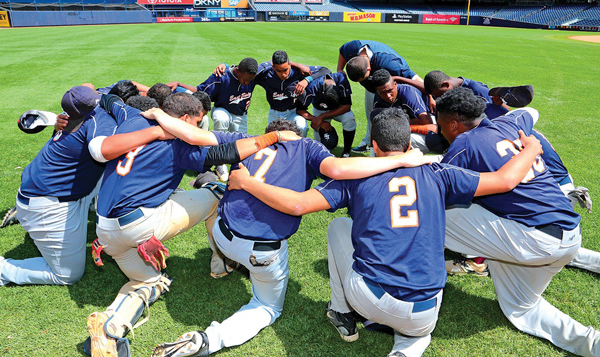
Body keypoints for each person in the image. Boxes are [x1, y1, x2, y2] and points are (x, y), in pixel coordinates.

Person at [199, 108, 542, 357]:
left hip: (369, 298)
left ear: (374, 146)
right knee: (415, 336)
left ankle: (342, 313)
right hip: (426, 308)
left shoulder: (356, 177)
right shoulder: (439, 172)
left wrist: (245, 182)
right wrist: (530, 150)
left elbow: (299, 204)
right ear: (409, 143)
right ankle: (406, 346)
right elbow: (506, 181)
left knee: (338, 226)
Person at [151, 118, 442, 357]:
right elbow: (336, 171)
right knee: (267, 306)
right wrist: (403, 159)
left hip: (224, 235)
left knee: (216, 193)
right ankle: (210, 339)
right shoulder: (307, 146)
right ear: (296, 136)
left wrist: (157, 120)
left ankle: (220, 262)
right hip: (262, 251)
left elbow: (194, 133)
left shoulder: (247, 138)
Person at [86, 93, 301, 357]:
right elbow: (226, 152)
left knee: (151, 281)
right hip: (139, 224)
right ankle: (221, 263)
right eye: (197, 121)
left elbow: (110, 100)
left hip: (106, 231)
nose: (198, 127)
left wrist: (95, 93)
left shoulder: (132, 115)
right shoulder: (179, 143)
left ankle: (109, 328)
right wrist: (273, 137)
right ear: (185, 118)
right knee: (216, 195)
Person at [437, 87, 600, 357]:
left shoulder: (462, 145)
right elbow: (529, 112)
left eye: (442, 125)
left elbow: (436, 188)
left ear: (453, 124)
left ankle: (414, 281)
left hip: (534, 242)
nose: (440, 130)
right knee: (521, 308)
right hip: (569, 233)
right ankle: (593, 344)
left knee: (436, 212)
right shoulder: (510, 122)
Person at [0, 86, 169, 286]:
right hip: (48, 204)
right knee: (68, 274)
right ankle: (5, 269)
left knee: (116, 175)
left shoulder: (88, 106)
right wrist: (155, 131)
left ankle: (83, 209)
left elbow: (88, 88)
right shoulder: (99, 119)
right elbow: (101, 151)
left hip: (46, 185)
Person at [343, 45, 422, 153]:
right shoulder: (352, 49)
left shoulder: (391, 64)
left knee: (397, 117)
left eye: (364, 78)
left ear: (369, 69)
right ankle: (369, 144)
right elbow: (342, 50)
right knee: (374, 116)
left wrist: (431, 95)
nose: (364, 82)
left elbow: (414, 77)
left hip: (394, 87)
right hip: (378, 89)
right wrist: (339, 69)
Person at [371, 69, 442, 154]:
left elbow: (427, 121)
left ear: (395, 84)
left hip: (432, 128)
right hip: (408, 126)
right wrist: (372, 150)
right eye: (382, 93)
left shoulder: (408, 93)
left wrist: (397, 124)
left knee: (395, 140)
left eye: (390, 90)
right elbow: (376, 125)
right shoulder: (378, 99)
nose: (388, 96)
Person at [295, 72, 356, 157]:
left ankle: (346, 152)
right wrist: (317, 120)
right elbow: (300, 110)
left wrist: (322, 117)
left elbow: (347, 106)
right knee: (321, 146)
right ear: (323, 93)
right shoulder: (312, 87)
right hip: (320, 109)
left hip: (338, 110)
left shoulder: (341, 80)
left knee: (349, 118)